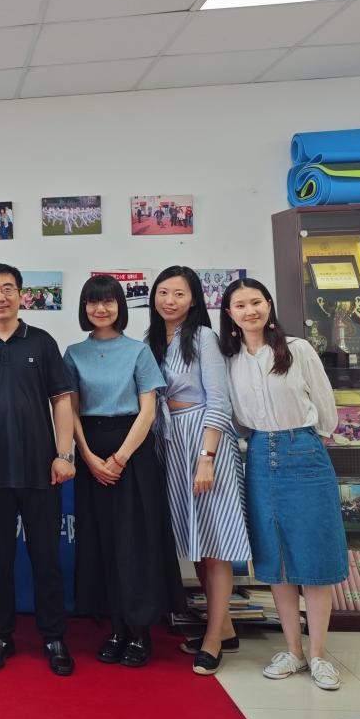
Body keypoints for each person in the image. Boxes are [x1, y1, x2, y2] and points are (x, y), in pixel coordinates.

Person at [220, 278, 347, 691]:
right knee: (275, 559)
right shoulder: (230, 360)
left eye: (256, 302)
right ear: (229, 314)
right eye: (240, 305)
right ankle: (293, 651)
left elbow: (325, 407)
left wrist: (308, 440)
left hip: (304, 450)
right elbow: (238, 420)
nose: (250, 310)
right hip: (259, 454)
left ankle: (319, 654)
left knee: (314, 556)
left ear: (269, 305)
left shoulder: (297, 349)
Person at [0, 264, 77, 676]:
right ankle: (0, 636)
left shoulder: (41, 342)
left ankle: (53, 636)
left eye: (7, 288)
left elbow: (61, 400)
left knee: (46, 558)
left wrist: (64, 454)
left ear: (22, 294)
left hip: (42, 470)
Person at [63, 275, 182, 668]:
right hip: (90, 449)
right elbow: (69, 411)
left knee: (136, 542)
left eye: (109, 301)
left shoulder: (138, 351)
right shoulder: (73, 354)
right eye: (93, 302)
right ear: (84, 308)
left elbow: (148, 411)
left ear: (120, 306)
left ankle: (140, 630)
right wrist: (87, 456)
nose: (101, 309)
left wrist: (119, 458)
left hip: (133, 450)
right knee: (102, 541)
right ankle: (116, 627)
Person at [145, 266, 252, 676]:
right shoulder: (152, 341)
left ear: (193, 300)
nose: (169, 300)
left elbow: (219, 401)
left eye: (179, 293)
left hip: (205, 441)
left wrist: (207, 456)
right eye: (163, 292)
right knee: (198, 540)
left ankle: (212, 640)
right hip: (170, 442)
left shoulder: (204, 337)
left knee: (216, 540)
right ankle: (224, 627)